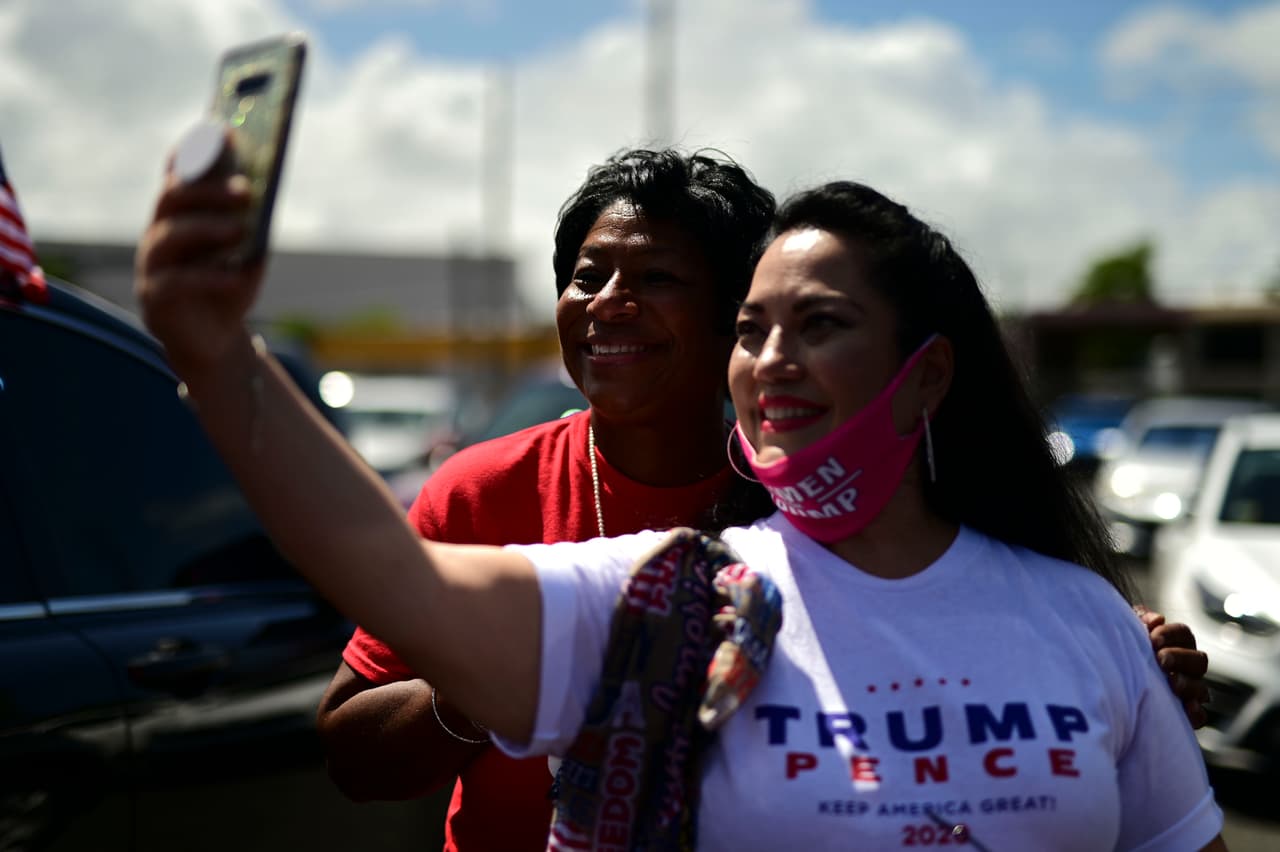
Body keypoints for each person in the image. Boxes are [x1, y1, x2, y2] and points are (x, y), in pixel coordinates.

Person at [136, 152, 1223, 848]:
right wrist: (216, 356)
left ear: (926, 374)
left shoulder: (1071, 615)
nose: (610, 304)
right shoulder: (663, 593)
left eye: (656, 279)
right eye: (760, 330)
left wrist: (1113, 676)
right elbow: (376, 569)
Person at [316, 148, 778, 849]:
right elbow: (352, 758)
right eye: (587, 277)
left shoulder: (793, 501)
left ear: (734, 317)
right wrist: (497, 682)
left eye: (656, 277)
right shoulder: (479, 492)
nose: (608, 302)